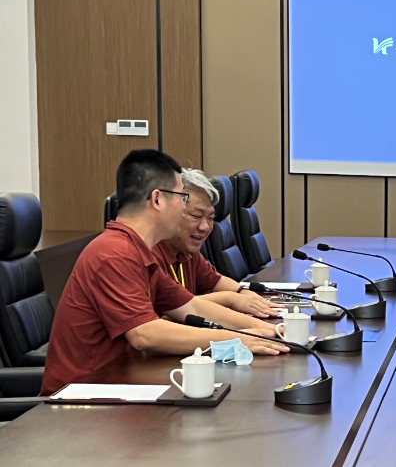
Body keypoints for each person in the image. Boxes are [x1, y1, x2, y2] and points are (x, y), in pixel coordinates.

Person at [41, 150, 287, 396]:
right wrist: (235, 339)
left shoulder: (137, 250)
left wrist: (272, 332)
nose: (183, 208)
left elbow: (191, 307)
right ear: (157, 199)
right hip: (83, 397)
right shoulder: (114, 253)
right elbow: (145, 334)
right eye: (182, 197)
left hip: (124, 380)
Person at [152, 168, 281, 318]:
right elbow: (164, 316)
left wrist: (244, 293)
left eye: (210, 218)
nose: (205, 227)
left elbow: (215, 281)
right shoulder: (148, 254)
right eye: (196, 215)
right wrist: (230, 298)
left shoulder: (186, 250)